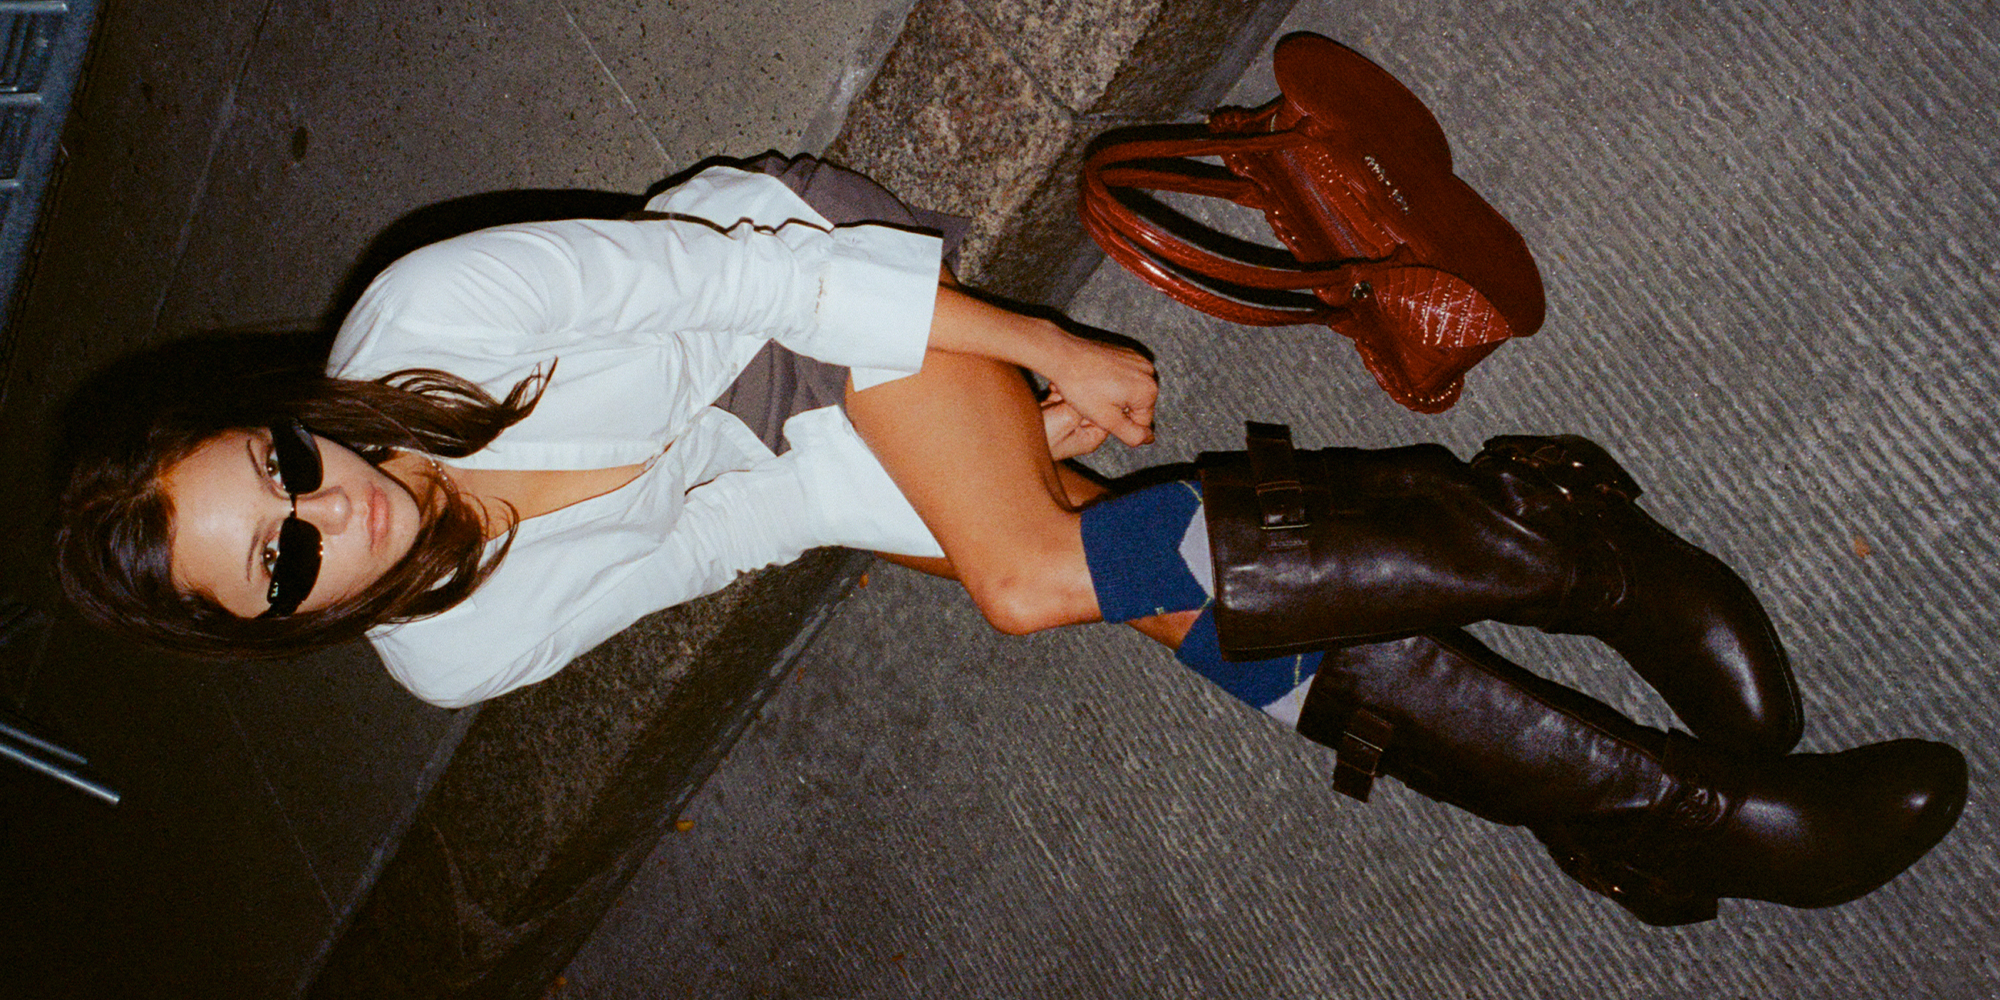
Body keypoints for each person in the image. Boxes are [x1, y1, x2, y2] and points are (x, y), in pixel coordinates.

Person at [54, 154, 1964, 927]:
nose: (331, 507)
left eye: (277, 465)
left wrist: (1030, 355)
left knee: (1048, 574)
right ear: (276, 629)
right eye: (281, 561)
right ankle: (1636, 794)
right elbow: (738, 528)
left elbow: (771, 276)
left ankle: (1577, 571)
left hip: (799, 277)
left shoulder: (429, 321)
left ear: (275, 409)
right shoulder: (452, 649)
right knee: (1137, 585)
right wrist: (985, 486)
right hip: (773, 441)